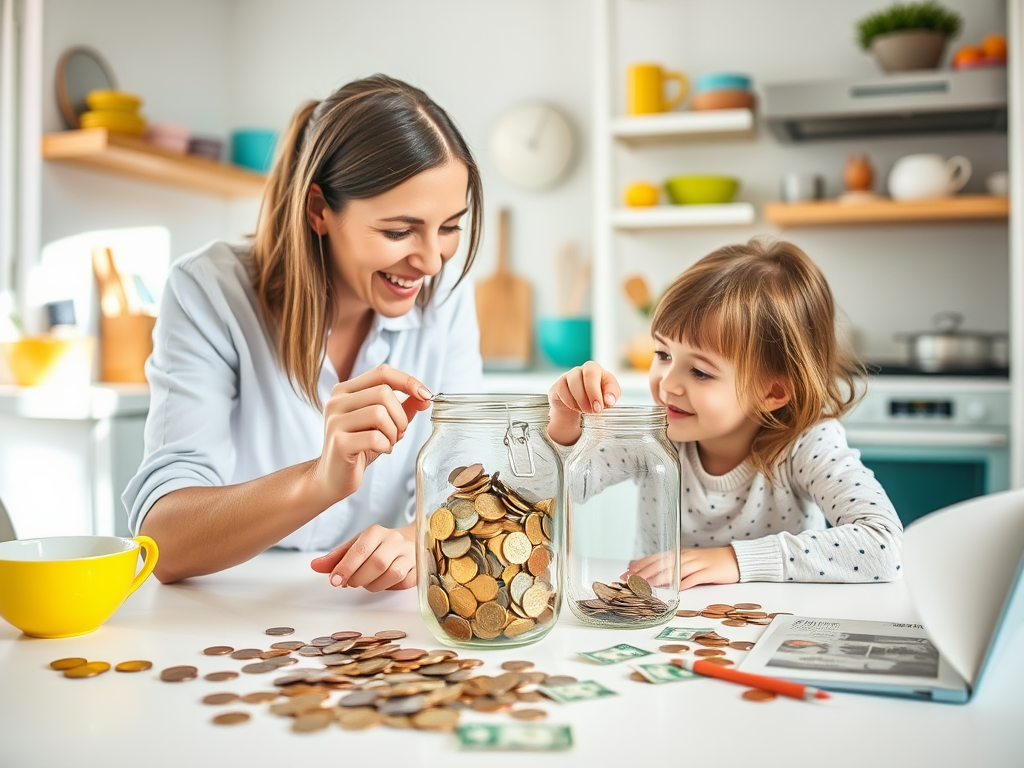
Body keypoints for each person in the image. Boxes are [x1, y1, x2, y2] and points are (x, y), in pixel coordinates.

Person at [123, 74, 485, 591]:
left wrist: (414, 539)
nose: (430, 260)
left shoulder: (446, 295)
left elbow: (465, 481)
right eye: (399, 231)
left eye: (450, 226)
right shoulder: (207, 291)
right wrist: (318, 480)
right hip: (234, 599)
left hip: (371, 614)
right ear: (319, 209)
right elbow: (164, 542)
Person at [547, 237, 903, 590]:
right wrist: (564, 424)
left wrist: (734, 559)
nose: (668, 385)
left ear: (773, 391)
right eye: (663, 354)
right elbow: (545, 494)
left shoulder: (805, 443)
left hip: (773, 622)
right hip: (662, 624)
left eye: (700, 372)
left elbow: (884, 545)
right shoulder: (654, 433)